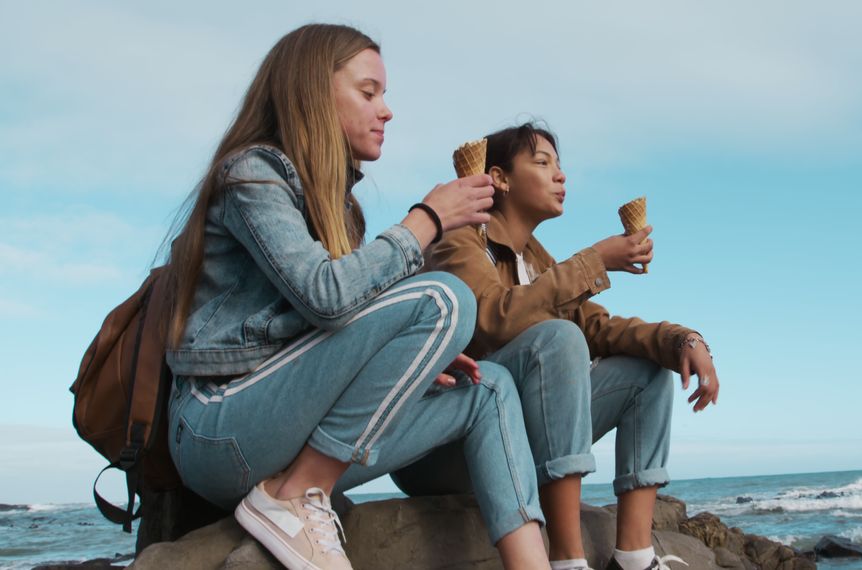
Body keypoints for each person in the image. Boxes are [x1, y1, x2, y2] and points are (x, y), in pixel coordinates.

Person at [162, 25, 549, 570]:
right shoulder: (252, 174)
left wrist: (412, 353)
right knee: (445, 298)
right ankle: (292, 497)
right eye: (369, 93)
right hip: (221, 426)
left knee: (490, 385)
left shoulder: (345, 210)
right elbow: (325, 296)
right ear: (313, 94)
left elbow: (341, 320)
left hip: (293, 423)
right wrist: (429, 219)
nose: (387, 110)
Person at [397, 123, 719, 570]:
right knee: (558, 337)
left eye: (560, 165)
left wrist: (684, 339)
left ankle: (634, 557)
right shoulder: (460, 238)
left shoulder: (537, 260)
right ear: (499, 178)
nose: (560, 175)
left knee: (648, 370)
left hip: (518, 439)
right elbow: (491, 319)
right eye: (543, 162)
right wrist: (594, 261)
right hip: (445, 447)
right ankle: (568, 559)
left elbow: (601, 328)